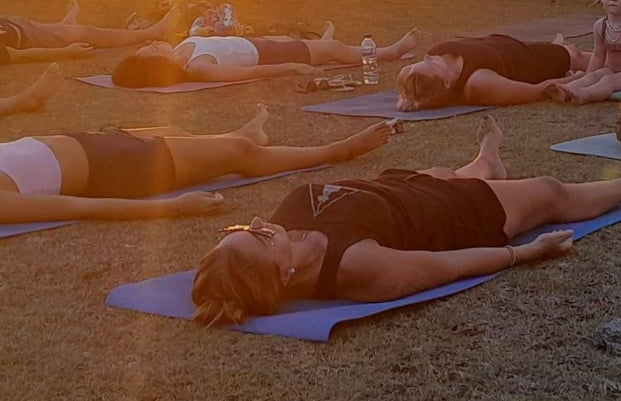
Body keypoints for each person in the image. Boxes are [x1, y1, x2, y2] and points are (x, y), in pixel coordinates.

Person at [190, 118, 621, 326]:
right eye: (255, 236)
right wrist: (523, 253)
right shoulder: (356, 267)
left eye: (239, 230)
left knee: (443, 172)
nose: (256, 222)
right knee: (549, 191)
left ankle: (486, 160)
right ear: (284, 275)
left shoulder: (283, 231)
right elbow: (445, 265)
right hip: (463, 213)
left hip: (405, 188)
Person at [0, 104, 395, 225]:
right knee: (240, 154)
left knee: (173, 127)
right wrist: (173, 206)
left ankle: (242, 132)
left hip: (93, 142)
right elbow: (78, 208)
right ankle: (337, 151)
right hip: (119, 169)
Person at [110, 24, 419, 88]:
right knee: (334, 50)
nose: (153, 44)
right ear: (159, 65)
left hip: (257, 42)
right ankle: (391, 52)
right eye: (151, 50)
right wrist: (291, 68)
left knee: (316, 46)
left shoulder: (181, 51)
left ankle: (323, 46)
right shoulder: (198, 68)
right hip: (270, 55)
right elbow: (249, 74)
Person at [396, 32, 589, 111]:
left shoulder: (421, 72)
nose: (429, 57)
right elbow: (537, 90)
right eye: (431, 64)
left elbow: (410, 89)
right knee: (576, 56)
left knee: (568, 51)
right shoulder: (477, 84)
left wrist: (407, 97)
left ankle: (559, 46)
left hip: (505, 44)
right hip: (530, 62)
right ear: (446, 83)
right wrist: (576, 81)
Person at [1, 0, 181, 65]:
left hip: (16, 25)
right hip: (27, 38)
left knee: (51, 30)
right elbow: (19, 56)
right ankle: (152, 33)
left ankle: (66, 25)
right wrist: (66, 52)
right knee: (89, 33)